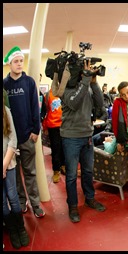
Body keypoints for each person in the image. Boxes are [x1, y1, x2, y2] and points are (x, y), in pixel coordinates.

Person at [54, 59, 106, 223]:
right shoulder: (66, 89)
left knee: (88, 171)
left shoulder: (87, 85)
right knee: (70, 175)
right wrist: (85, 80)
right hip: (71, 137)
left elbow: (99, 103)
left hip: (87, 135)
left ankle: (89, 199)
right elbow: (75, 103)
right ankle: (73, 206)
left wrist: (94, 82)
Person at [3, 46, 45, 218]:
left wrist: (36, 130)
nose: (20, 64)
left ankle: (35, 204)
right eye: (16, 61)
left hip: (28, 137)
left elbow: (35, 107)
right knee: (15, 176)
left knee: (30, 173)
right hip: (10, 140)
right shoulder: (4, 85)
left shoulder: (29, 82)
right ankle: (22, 202)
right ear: (10, 64)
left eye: (21, 61)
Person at [3, 99, 30, 249]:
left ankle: (20, 228)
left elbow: (13, 140)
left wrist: (4, 165)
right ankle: (12, 230)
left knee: (13, 197)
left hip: (9, 162)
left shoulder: (6, 111)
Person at [42, 87, 66, 183]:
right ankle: (56, 170)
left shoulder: (65, 91)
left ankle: (64, 166)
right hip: (53, 125)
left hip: (65, 125)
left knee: (65, 147)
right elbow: (45, 111)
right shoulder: (48, 94)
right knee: (55, 149)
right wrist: (45, 127)